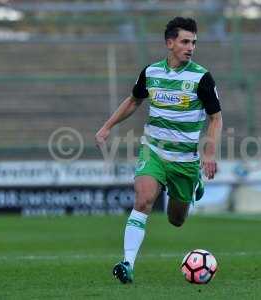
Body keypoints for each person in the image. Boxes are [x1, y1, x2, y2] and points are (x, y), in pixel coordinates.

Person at [95, 16, 222, 284]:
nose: (191, 47)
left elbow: (215, 118)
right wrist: (107, 126)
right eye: (185, 41)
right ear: (170, 43)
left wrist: (209, 153)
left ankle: (192, 184)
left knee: (176, 220)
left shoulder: (201, 77)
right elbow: (133, 101)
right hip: (153, 150)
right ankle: (127, 263)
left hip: (185, 160)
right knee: (143, 200)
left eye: (194, 42)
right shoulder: (151, 72)